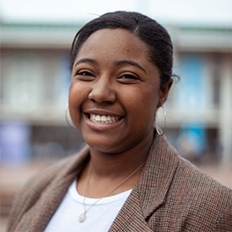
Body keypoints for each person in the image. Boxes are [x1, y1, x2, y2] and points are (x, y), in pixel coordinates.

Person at [7, 11, 232, 232]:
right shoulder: (36, 189)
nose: (100, 93)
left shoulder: (210, 211)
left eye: (127, 76)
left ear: (163, 91)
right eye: (86, 73)